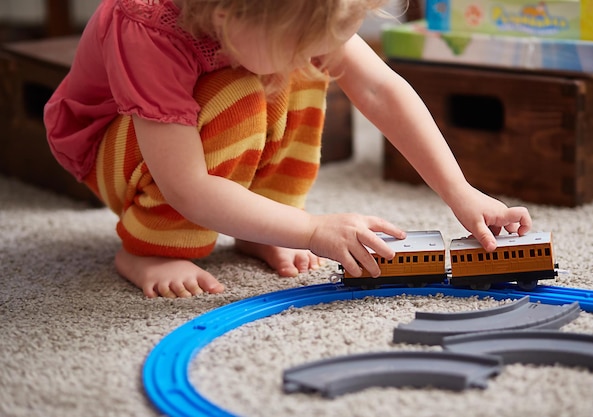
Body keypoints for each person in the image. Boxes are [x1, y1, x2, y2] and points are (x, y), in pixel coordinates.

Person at [44, 0, 531, 298]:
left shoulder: (278, 14)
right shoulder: (146, 25)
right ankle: (151, 245)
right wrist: (313, 229)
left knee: (297, 72)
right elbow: (186, 184)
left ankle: (262, 220)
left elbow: (381, 89)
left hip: (187, 142)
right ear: (226, 16)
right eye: (307, 42)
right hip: (117, 149)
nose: (320, 53)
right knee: (235, 93)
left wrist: (459, 191)